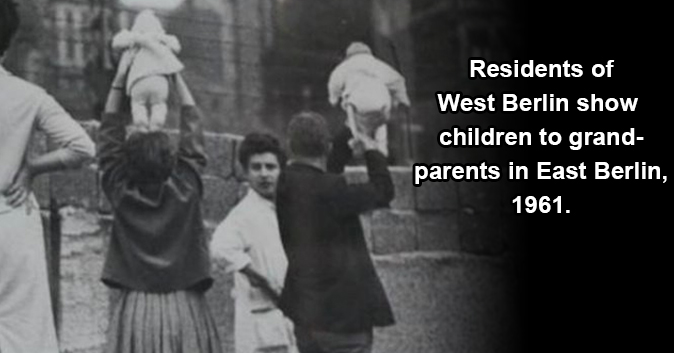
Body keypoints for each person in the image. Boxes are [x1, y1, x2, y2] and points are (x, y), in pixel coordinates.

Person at [98, 53, 222, 353]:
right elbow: (193, 135)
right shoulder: (187, 187)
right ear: (171, 160)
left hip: (137, 307)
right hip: (186, 305)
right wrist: (174, 73)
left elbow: (108, 143)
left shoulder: (119, 190)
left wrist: (120, 79)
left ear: (128, 164)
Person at [1, 1, 96, 351]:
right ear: (9, 43)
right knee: (25, 331)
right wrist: (32, 168)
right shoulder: (30, 96)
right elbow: (83, 147)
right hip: (13, 217)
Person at [276, 112, 395, 353]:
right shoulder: (333, 191)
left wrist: (352, 127)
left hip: (306, 319)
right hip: (344, 323)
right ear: (327, 147)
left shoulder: (284, 183)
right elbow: (383, 191)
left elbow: (321, 170)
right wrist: (372, 149)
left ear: (289, 146)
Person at [211, 133, 298, 353]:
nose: (264, 174)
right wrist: (262, 279)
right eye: (256, 167)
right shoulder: (244, 214)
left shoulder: (288, 208)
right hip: (262, 321)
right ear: (245, 172)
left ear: (281, 170)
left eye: (270, 167)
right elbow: (220, 248)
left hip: (293, 317)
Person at [327, 42, 411, 157]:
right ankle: (382, 148)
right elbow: (398, 80)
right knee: (380, 123)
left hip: (357, 105)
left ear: (349, 57)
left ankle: (362, 141)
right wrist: (403, 99)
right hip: (382, 104)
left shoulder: (345, 66)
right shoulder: (378, 65)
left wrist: (334, 98)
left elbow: (334, 82)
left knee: (353, 123)